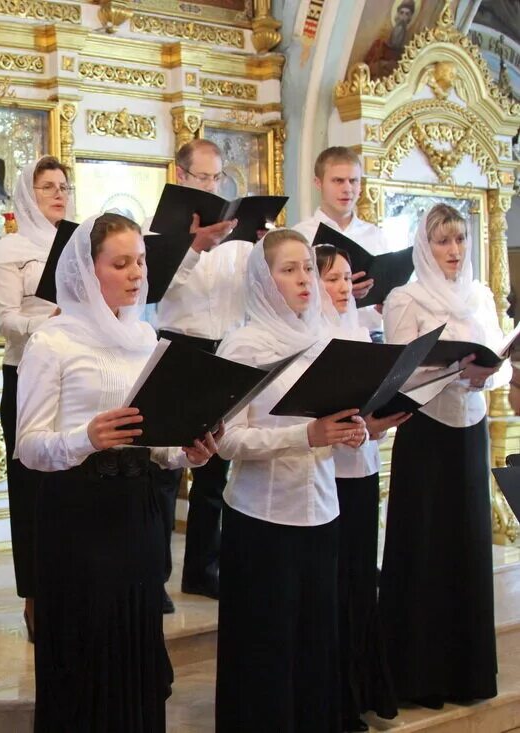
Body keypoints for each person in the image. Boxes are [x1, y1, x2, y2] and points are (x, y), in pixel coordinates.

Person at [16, 212, 218, 732]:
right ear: (88, 270)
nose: (136, 273)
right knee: (85, 653)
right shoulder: (52, 342)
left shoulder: (146, 336)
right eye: (121, 263)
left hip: (138, 515)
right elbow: (28, 447)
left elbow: (154, 442)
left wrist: (187, 453)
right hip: (76, 520)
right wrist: (87, 438)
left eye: (141, 262)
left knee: (135, 647)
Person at [215, 229, 367, 732]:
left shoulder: (326, 339)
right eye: (289, 269)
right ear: (263, 278)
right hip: (264, 518)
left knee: (314, 647)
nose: (304, 278)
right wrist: (309, 434)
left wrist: (354, 430)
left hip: (323, 510)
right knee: (267, 652)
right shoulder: (244, 346)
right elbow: (229, 441)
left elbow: (332, 426)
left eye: (307, 267)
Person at [379, 204, 508, 708]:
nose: (453, 252)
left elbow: (497, 361)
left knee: (467, 544)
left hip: (469, 430)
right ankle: (419, 678)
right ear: (424, 246)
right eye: (442, 242)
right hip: (425, 431)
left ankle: (466, 674)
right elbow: (397, 370)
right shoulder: (405, 298)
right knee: (425, 543)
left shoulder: (479, 295)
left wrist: (485, 373)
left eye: (459, 241)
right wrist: (449, 371)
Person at [146, 139, 242, 605]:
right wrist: (196, 247)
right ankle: (156, 577)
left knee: (214, 467)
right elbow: (152, 287)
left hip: (226, 346)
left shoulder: (236, 237)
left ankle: (204, 569)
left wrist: (257, 250)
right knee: (167, 466)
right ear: (181, 176)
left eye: (216, 177)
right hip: (178, 344)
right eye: (201, 177)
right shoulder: (160, 227)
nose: (209, 185)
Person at [316, 244, 406, 731]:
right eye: (330, 278)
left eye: (346, 279)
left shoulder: (360, 330)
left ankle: (366, 683)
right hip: (326, 475)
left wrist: (380, 421)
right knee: (335, 584)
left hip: (363, 467)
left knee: (359, 579)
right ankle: (337, 693)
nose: (341, 288)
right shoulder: (311, 336)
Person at [0, 155, 71, 641]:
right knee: (30, 490)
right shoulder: (10, 249)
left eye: (64, 186)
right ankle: (35, 597)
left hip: (70, 378)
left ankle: (66, 586)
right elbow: (7, 322)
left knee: (65, 484)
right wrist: (51, 320)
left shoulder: (79, 244)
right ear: (26, 194)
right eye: (47, 188)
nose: (59, 195)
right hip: (25, 376)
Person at [294, 146, 390, 335]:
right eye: (338, 181)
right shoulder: (300, 236)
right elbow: (290, 295)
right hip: (317, 337)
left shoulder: (375, 235)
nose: (347, 189)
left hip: (371, 335)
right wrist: (342, 291)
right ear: (318, 183)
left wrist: (388, 301)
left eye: (353, 181)